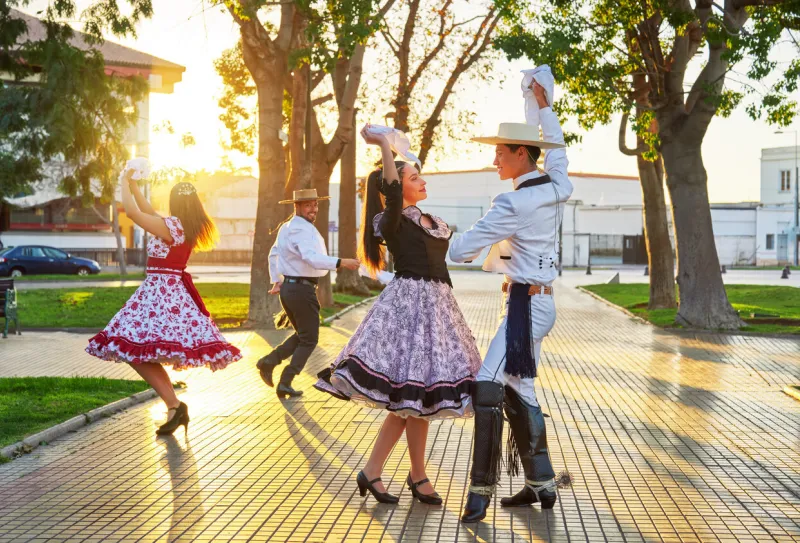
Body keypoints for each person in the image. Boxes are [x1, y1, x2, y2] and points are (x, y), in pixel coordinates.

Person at [315, 125, 482, 505]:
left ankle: (395, 473)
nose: (421, 181)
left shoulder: (431, 219)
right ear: (397, 186)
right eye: (414, 177)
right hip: (407, 311)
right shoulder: (391, 220)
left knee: (416, 403)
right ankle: (395, 474)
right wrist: (386, 148)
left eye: (419, 175)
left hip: (439, 312)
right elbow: (390, 191)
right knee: (409, 401)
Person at [450, 82, 573, 522]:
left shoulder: (513, 201)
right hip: (535, 305)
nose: (495, 158)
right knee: (521, 387)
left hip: (527, 310)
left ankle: (479, 491)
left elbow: (461, 250)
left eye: (501, 151)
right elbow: (556, 150)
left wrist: (441, 233)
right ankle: (540, 483)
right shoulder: (558, 184)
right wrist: (543, 106)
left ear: (522, 153)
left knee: (488, 384)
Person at [87, 160, 242, 436]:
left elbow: (134, 214)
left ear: (175, 203)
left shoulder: (173, 227)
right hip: (167, 293)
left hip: (159, 295)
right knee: (136, 350)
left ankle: (174, 405)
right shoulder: (182, 225)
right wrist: (134, 186)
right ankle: (174, 407)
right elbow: (147, 211)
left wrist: (122, 180)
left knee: (133, 350)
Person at [257, 189, 360, 399]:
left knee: (303, 335)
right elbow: (311, 257)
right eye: (308, 205)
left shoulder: (288, 227)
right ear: (297, 206)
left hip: (292, 288)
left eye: (315, 204)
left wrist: (277, 280)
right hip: (301, 289)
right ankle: (285, 378)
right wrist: (341, 262)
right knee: (310, 339)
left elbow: (274, 253)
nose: (313, 209)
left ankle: (271, 363)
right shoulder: (301, 229)